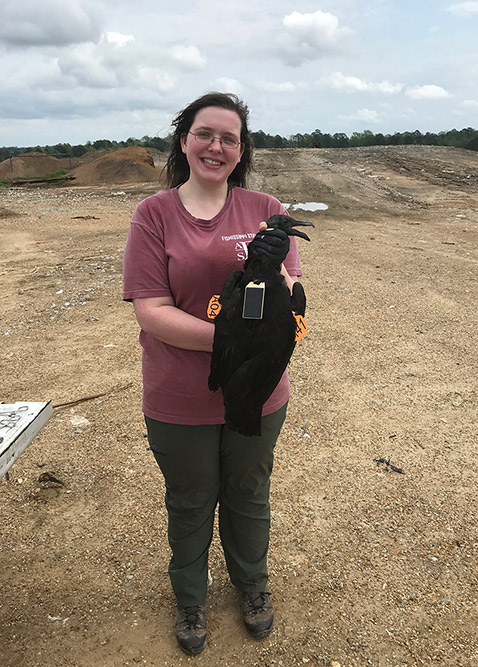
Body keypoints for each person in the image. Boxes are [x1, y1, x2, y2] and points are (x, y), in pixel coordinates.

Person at [123, 92, 303, 655]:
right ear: (184, 140)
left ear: (242, 149)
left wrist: (271, 277)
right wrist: (233, 341)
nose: (216, 146)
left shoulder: (264, 206)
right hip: (180, 393)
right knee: (192, 496)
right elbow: (151, 310)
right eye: (206, 133)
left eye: (230, 137)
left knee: (249, 493)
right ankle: (191, 599)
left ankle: (252, 587)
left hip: (259, 390)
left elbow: (295, 296)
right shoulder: (154, 213)